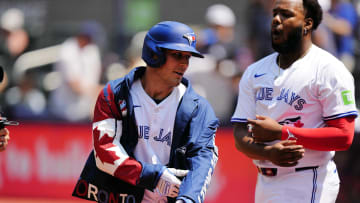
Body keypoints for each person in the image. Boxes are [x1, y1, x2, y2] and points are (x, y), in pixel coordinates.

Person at [73, 21, 219, 203]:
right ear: (154, 54)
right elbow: (104, 153)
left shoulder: (198, 108)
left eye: (188, 57)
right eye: (177, 55)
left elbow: (202, 161)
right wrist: (152, 176)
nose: (184, 64)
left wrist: (188, 199)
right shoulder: (116, 94)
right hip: (122, 197)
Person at [231, 0, 358, 202]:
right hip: (265, 182)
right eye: (275, 14)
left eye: (286, 15)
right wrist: (268, 152)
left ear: (307, 24)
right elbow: (239, 133)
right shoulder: (255, 71)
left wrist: (282, 132)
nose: (276, 20)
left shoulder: (329, 69)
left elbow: (344, 136)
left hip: (308, 179)